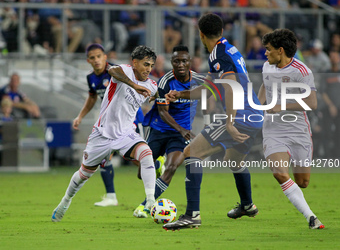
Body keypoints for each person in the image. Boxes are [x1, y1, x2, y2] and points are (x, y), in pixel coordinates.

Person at [163, 13, 263, 230]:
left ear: (200, 34)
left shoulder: (219, 54)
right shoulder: (228, 49)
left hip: (241, 116)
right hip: (254, 116)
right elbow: (209, 88)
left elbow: (229, 86)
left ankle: (192, 215)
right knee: (233, 161)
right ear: (222, 31)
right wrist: (179, 95)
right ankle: (247, 205)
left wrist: (229, 121)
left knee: (191, 152)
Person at [51, 45, 158, 222]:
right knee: (83, 174)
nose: (148, 69)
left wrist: (166, 97)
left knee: (146, 153)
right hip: (102, 134)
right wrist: (134, 86)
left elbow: (158, 95)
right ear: (134, 62)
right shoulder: (123, 70)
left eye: (151, 66)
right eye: (145, 64)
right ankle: (65, 201)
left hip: (126, 133)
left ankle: (150, 201)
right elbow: (112, 70)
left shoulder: (151, 85)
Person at [258, 28, 324, 229]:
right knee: (279, 172)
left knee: (303, 182)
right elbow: (264, 86)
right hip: (273, 129)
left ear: (280, 50)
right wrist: (256, 107)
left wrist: (281, 106)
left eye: (268, 50)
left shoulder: (302, 71)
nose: (265, 53)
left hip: (298, 130)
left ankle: (303, 203)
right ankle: (311, 217)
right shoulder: (266, 67)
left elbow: (312, 102)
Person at [132, 45, 205, 218]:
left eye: (184, 61)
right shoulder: (165, 82)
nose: (180, 64)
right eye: (176, 61)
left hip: (181, 135)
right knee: (142, 173)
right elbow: (163, 112)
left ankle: (146, 206)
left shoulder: (199, 81)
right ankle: (157, 164)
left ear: (190, 63)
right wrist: (181, 129)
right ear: (171, 63)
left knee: (172, 167)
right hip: (160, 129)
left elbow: (211, 93)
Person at [73, 43, 120, 207]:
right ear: (88, 61)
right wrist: (80, 116)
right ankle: (111, 196)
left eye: (99, 56)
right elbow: (92, 98)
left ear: (105, 57)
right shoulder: (91, 78)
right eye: (92, 58)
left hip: (128, 119)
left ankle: (157, 164)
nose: (96, 60)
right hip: (110, 122)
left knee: (136, 158)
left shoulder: (115, 72)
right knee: (104, 157)